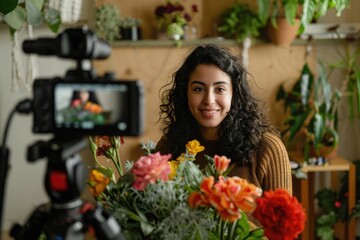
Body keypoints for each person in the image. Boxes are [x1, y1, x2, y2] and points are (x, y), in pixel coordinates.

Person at [155, 44, 292, 195]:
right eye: (198, 89)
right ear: (184, 93)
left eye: (220, 89)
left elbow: (283, 217)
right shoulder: (169, 146)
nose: (209, 100)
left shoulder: (267, 149)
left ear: (235, 95)